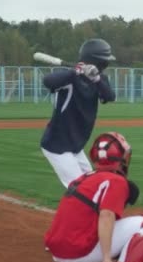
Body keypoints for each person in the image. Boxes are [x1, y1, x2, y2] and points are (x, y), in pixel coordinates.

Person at [44, 132, 143, 262]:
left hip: (58, 253)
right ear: (121, 158)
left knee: (84, 219)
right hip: (80, 254)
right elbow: (106, 216)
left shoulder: (84, 178)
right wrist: (106, 258)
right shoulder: (116, 181)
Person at [40, 39, 116, 188]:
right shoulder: (71, 78)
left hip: (75, 145)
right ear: (98, 61)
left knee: (94, 186)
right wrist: (75, 71)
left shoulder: (99, 80)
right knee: (81, 190)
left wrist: (96, 78)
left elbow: (109, 96)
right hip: (58, 145)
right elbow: (48, 81)